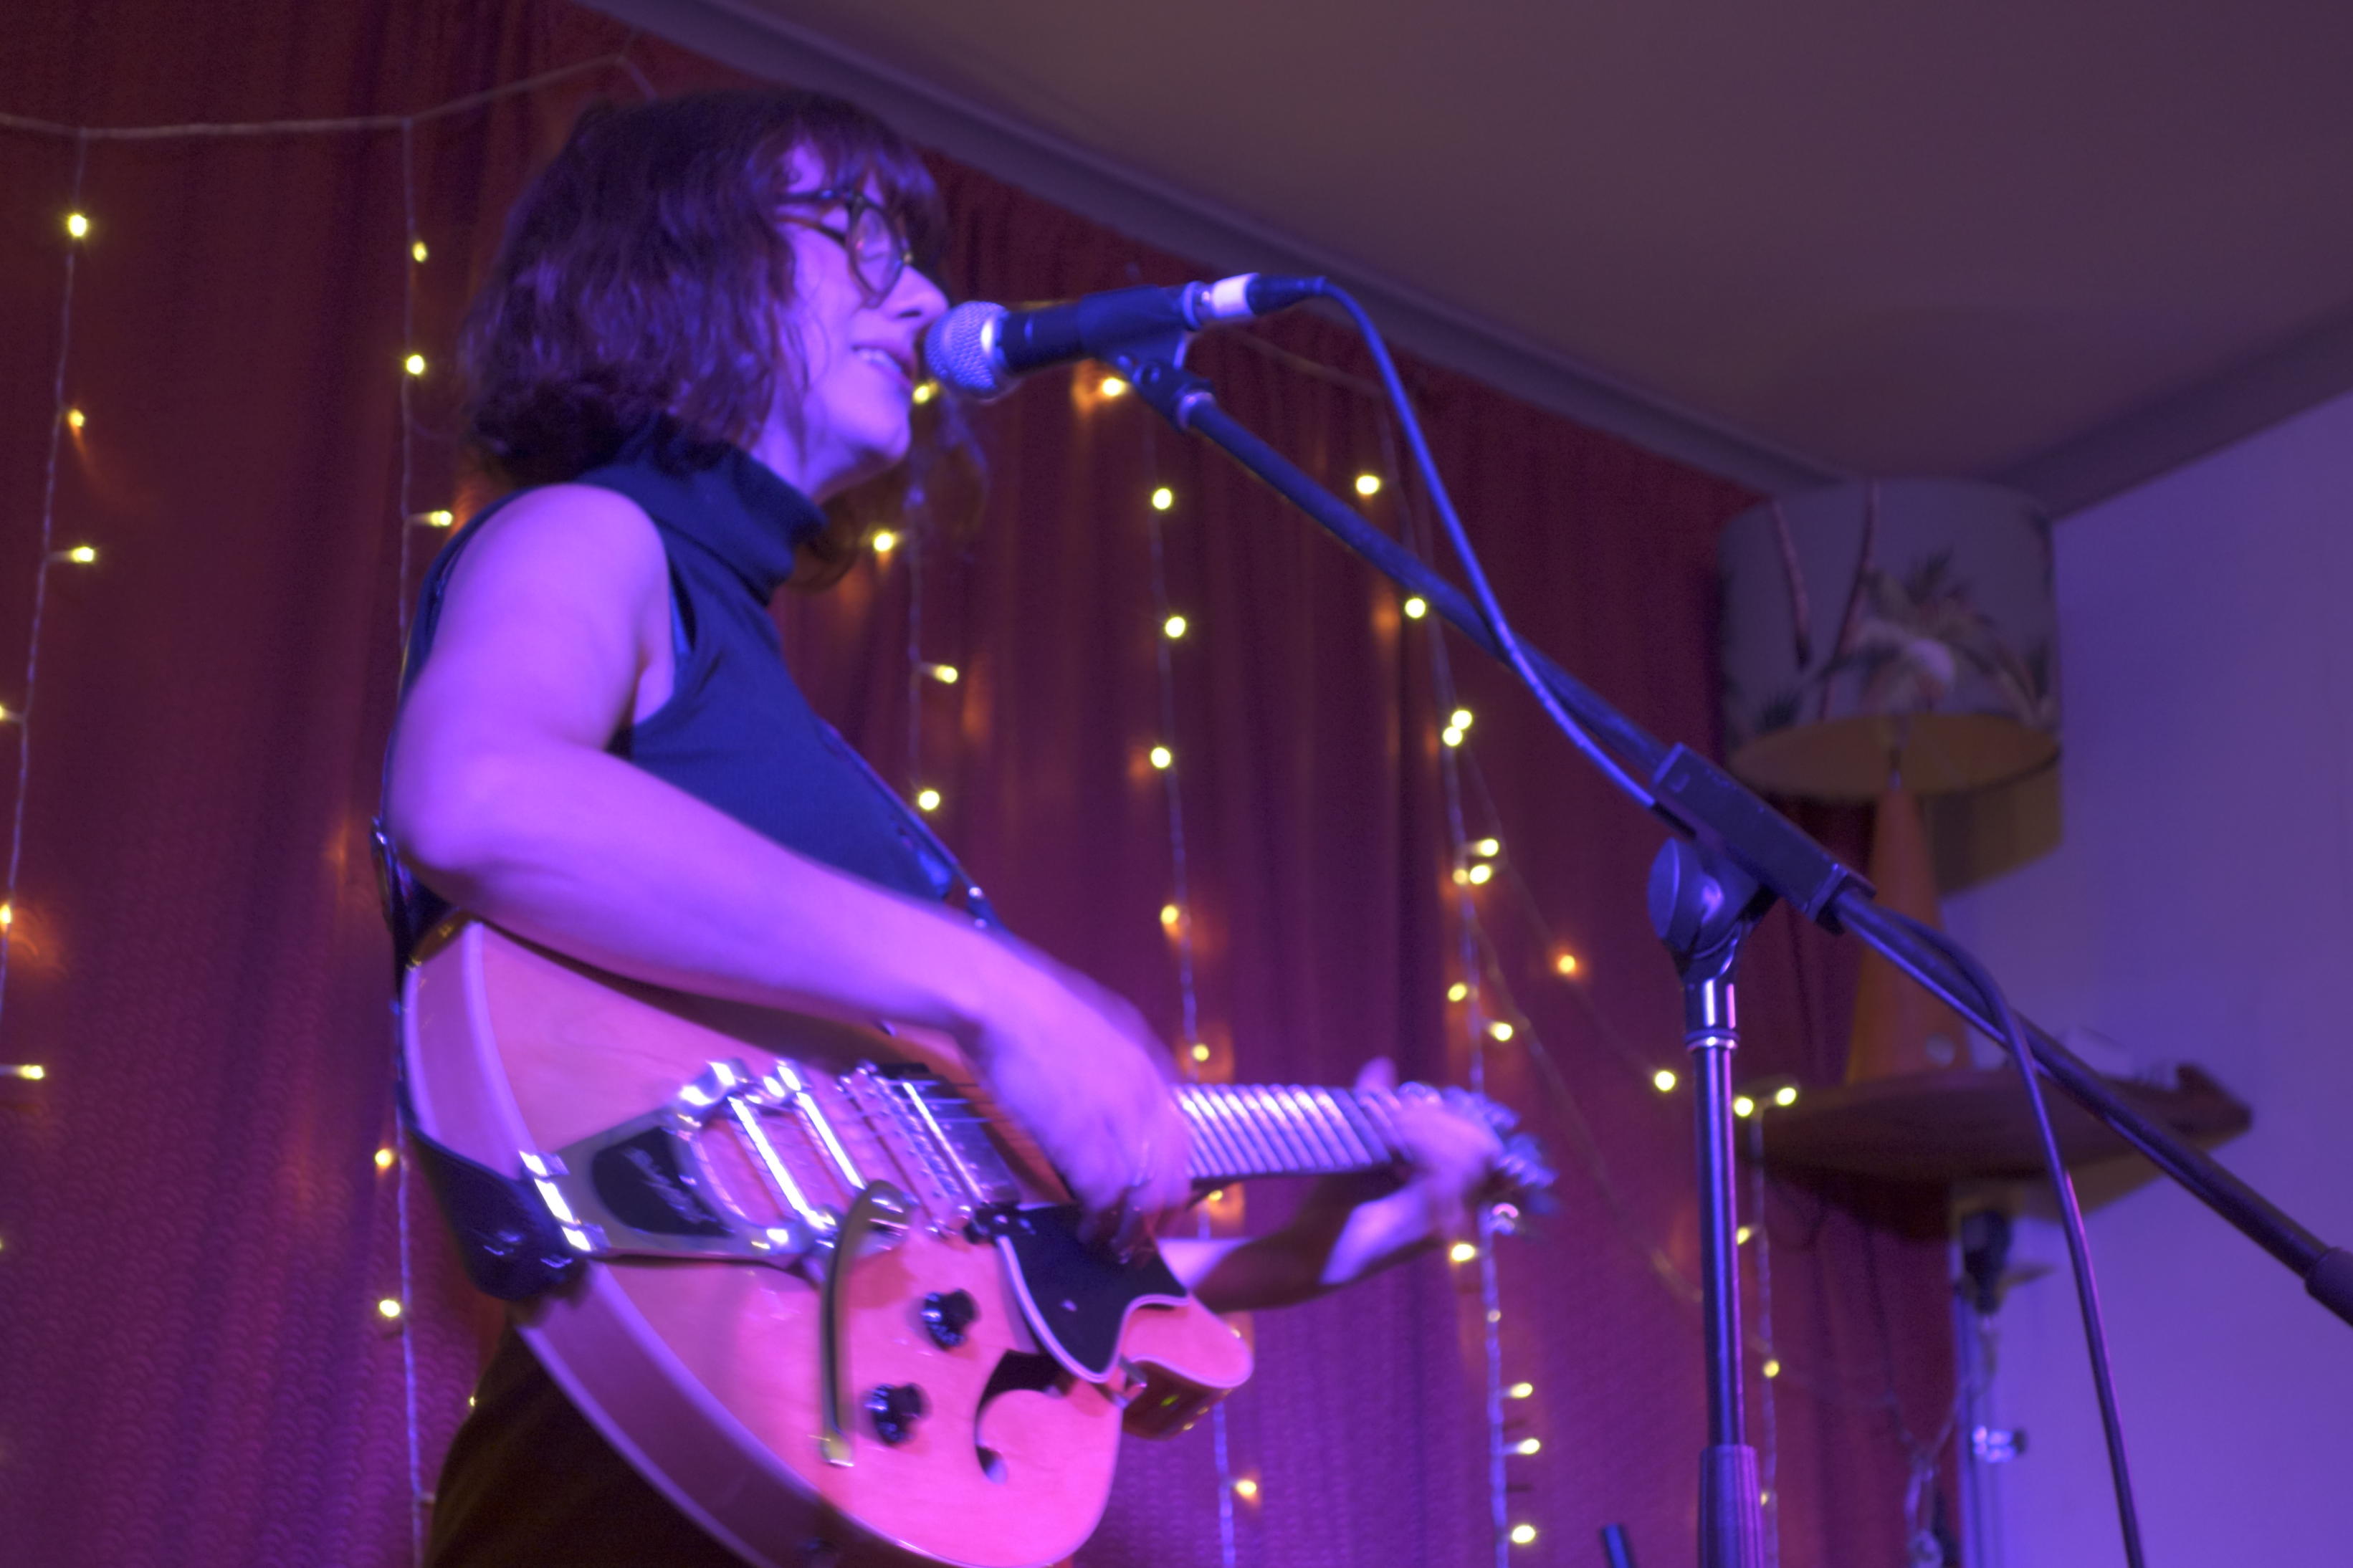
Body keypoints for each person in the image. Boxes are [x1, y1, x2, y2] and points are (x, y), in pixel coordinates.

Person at [383, 87, 1510, 1567]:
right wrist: (1002, 994)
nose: (921, 297)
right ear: (672, 258)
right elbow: (476, 795)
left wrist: (1330, 1232)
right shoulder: (589, 532)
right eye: (858, 235)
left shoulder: (763, 689)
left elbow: (946, 1278)